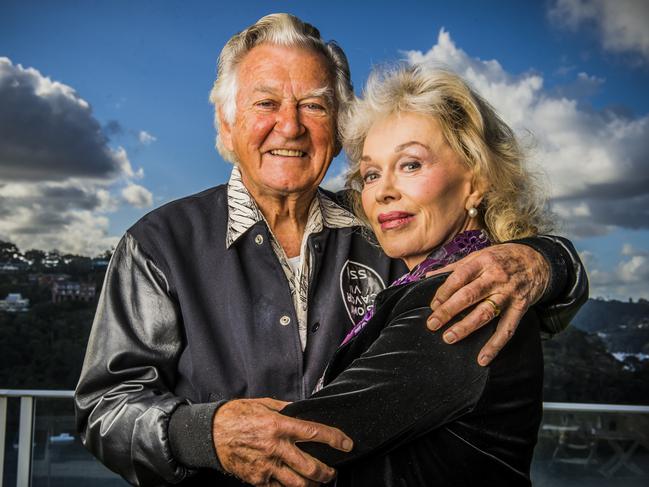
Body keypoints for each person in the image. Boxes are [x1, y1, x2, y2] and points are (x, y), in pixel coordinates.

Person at [74, 13, 587, 487]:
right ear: (227, 125)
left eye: (314, 105)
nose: (291, 125)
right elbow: (104, 410)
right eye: (265, 102)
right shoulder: (157, 244)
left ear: (339, 130)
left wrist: (546, 260)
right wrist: (202, 433)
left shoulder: (387, 229)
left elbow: (501, 287)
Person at [281, 65, 556, 486]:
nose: (383, 189)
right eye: (371, 174)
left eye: (410, 164)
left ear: (475, 182)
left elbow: (295, 451)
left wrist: (200, 434)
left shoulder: (463, 298)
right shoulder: (426, 282)